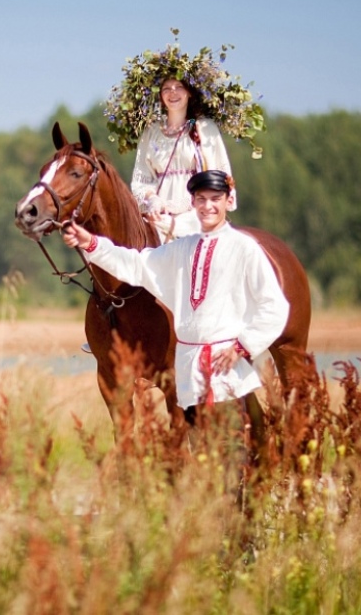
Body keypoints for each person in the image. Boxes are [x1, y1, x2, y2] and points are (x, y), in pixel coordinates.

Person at [62, 169, 289, 451]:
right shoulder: (182, 249)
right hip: (189, 375)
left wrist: (242, 347)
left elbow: (274, 306)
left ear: (229, 201)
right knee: (203, 459)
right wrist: (91, 243)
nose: (208, 206)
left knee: (231, 456)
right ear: (193, 204)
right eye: (201, 199)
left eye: (215, 199)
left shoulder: (245, 248)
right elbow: (136, 265)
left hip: (226, 373)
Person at [131, 78, 238, 242]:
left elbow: (219, 174)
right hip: (158, 216)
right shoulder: (151, 132)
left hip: (196, 213)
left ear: (189, 92)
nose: (172, 92)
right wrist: (152, 199)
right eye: (166, 88)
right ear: (160, 95)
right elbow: (141, 178)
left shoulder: (204, 128)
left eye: (179, 87)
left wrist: (197, 202)